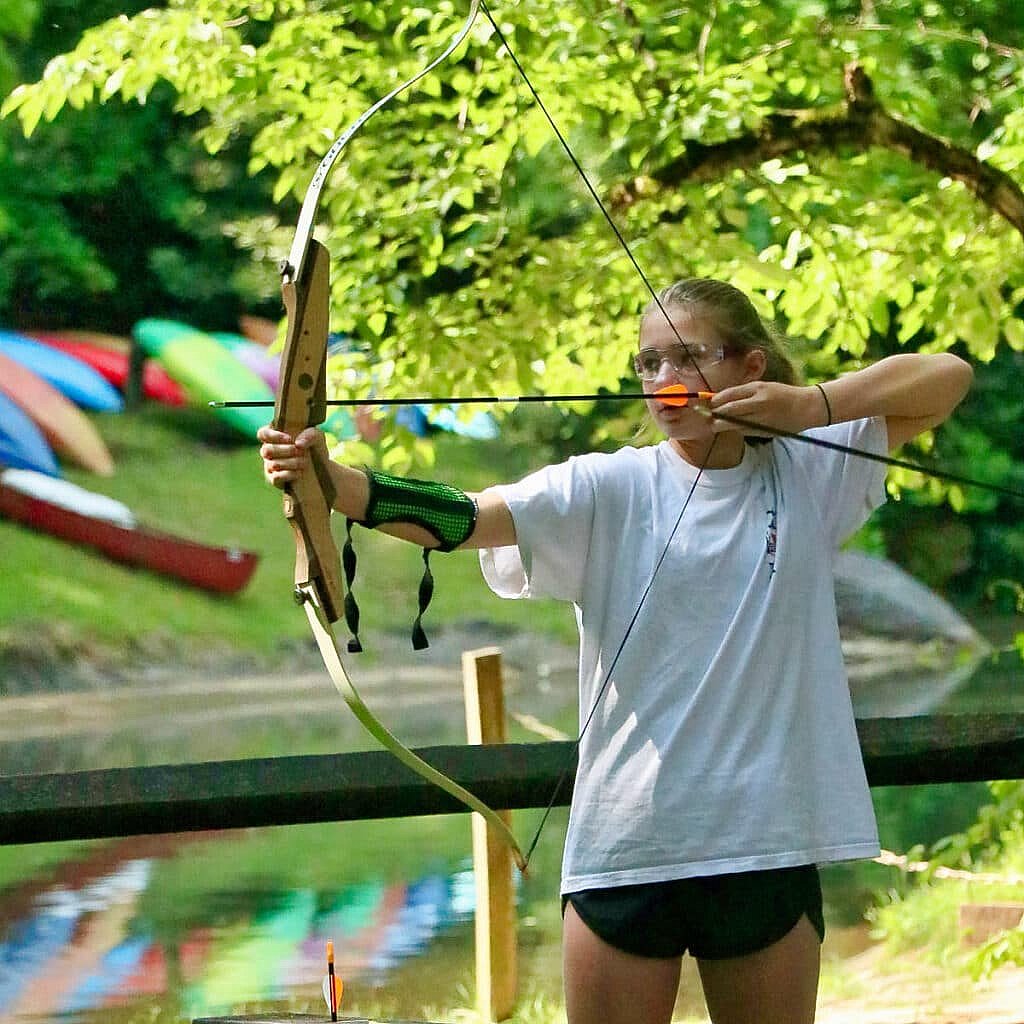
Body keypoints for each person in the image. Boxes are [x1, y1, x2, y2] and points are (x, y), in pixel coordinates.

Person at [258, 277, 973, 1024]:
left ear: (750, 367)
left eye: (687, 358)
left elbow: (947, 378)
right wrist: (337, 484)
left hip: (766, 841)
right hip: (629, 847)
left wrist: (812, 407)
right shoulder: (607, 488)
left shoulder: (812, 468)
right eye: (648, 364)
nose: (663, 382)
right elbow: (466, 519)